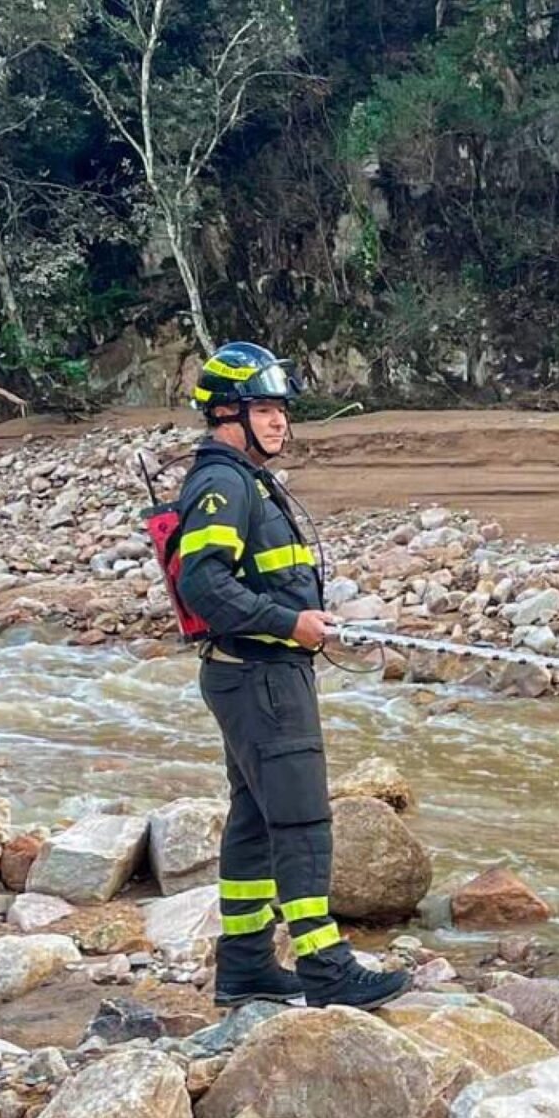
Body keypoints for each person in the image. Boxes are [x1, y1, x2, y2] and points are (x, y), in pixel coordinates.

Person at [173, 340, 409, 1010]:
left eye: (280, 409)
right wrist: (289, 624)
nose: (279, 422)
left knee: (253, 818)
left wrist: (300, 621)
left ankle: (245, 962)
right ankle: (325, 966)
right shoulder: (222, 482)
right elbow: (203, 585)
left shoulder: (243, 479)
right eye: (264, 409)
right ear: (226, 414)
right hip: (263, 677)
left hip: (253, 674)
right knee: (303, 821)